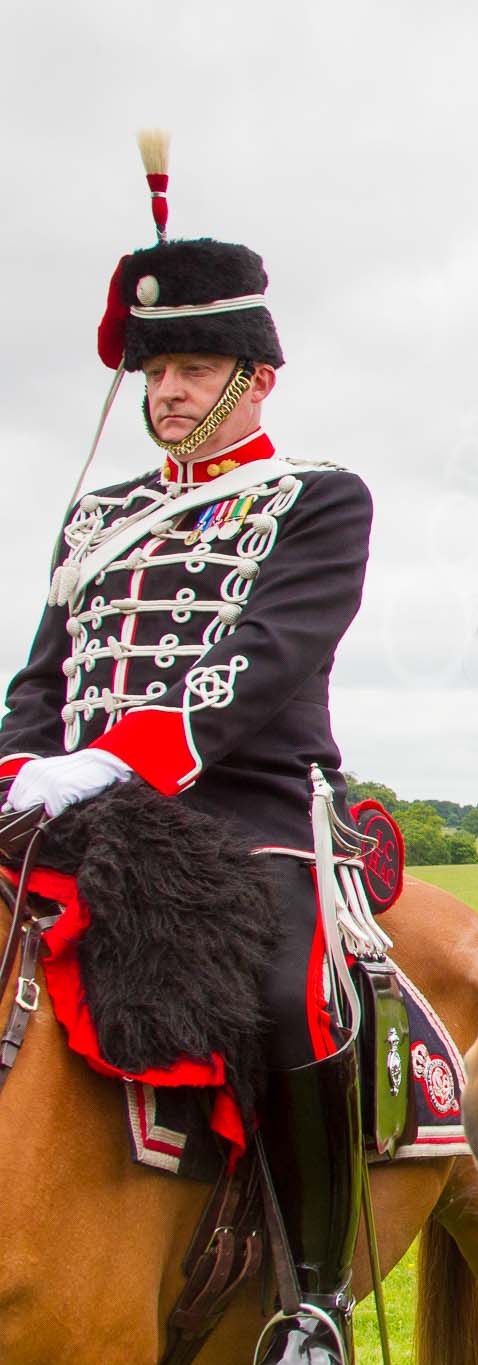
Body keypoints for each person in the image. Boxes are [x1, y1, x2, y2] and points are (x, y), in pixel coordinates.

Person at [0, 134, 373, 1365]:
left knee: (285, 995)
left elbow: (266, 661)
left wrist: (115, 760)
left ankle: (313, 1297)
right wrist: (20, 770)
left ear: (257, 375)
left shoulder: (319, 497)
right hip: (72, 808)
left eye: (194, 363)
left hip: (244, 807)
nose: (166, 390)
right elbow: (44, 677)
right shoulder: (99, 513)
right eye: (155, 366)